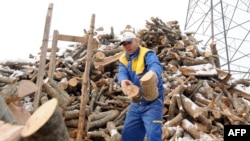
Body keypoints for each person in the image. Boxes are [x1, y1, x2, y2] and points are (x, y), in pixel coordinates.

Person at [118, 32, 164, 141]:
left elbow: (155, 65)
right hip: (136, 102)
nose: (127, 46)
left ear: (137, 41)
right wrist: (123, 80)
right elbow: (122, 72)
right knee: (128, 134)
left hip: (153, 101)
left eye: (129, 42)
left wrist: (152, 74)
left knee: (153, 135)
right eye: (124, 44)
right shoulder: (123, 58)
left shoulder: (147, 54)